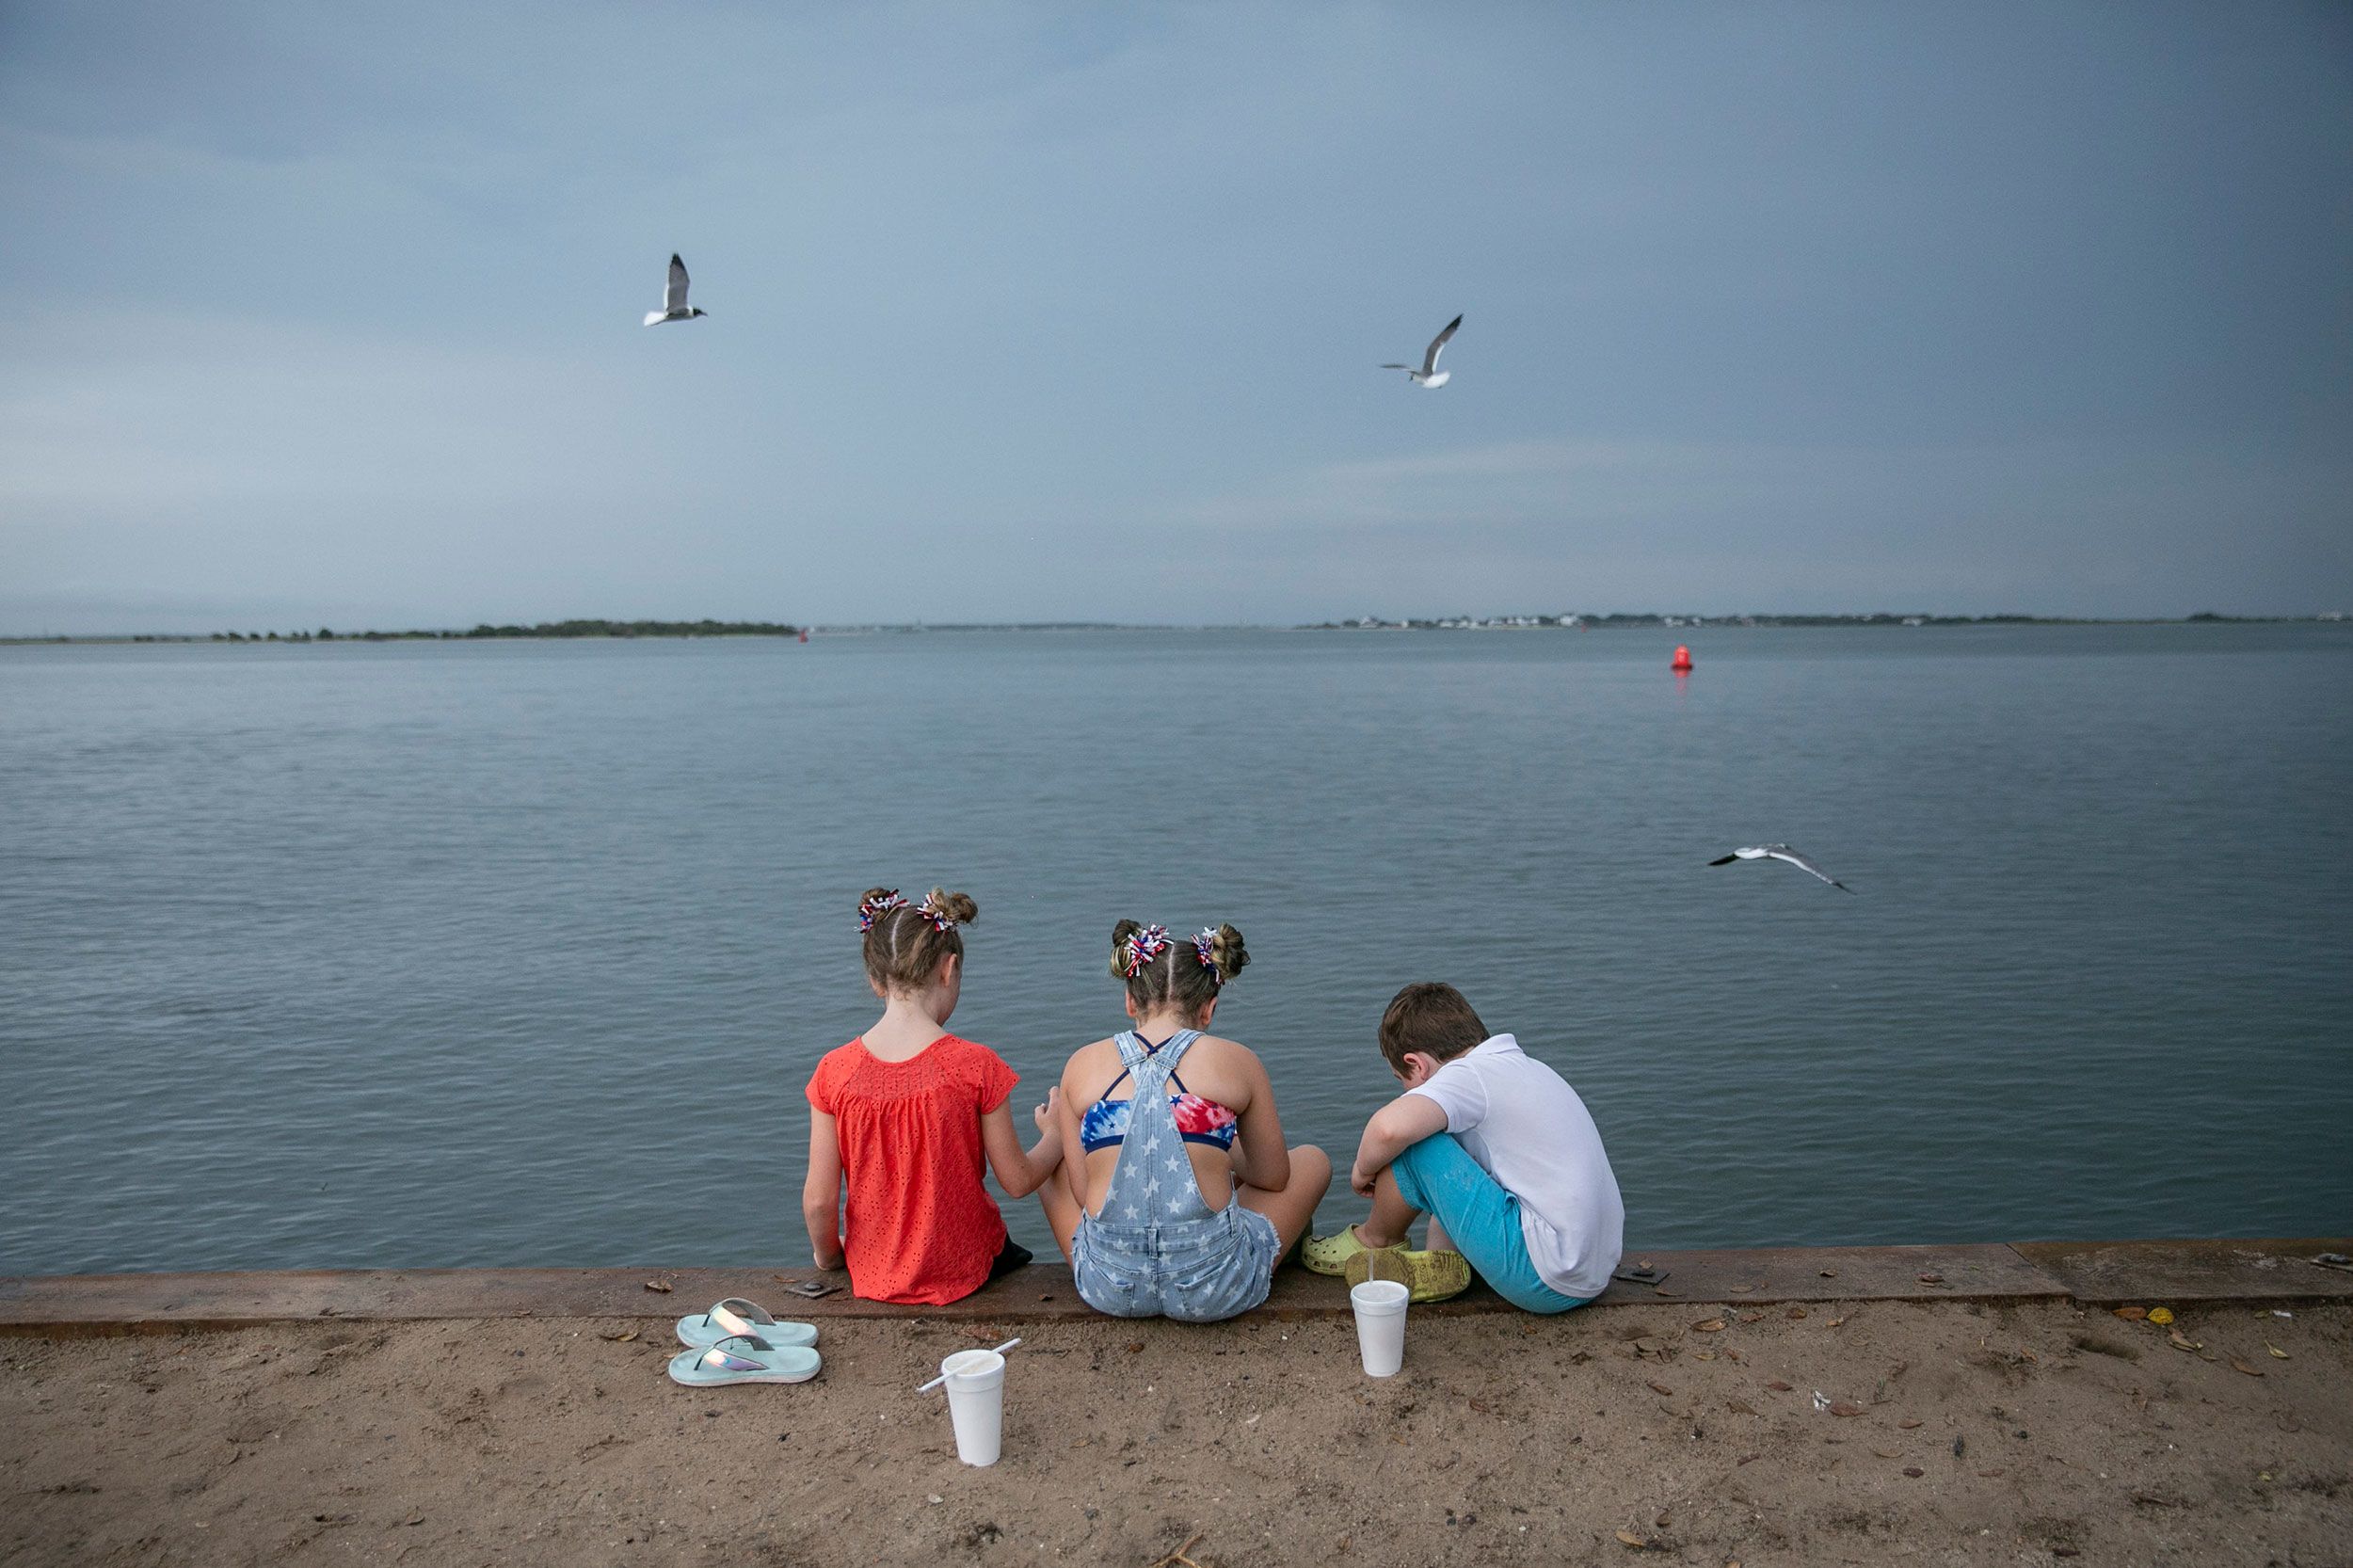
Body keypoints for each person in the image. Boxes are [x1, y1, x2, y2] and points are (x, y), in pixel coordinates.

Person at [1038, 920, 1331, 1321]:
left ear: (1130, 1001)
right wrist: (1216, 1137)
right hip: (1215, 1289)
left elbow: (1082, 1191)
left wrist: (1055, 1132)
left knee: (1054, 1167)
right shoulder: (1238, 1061)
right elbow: (1274, 1177)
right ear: (1208, 1009)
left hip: (1110, 1287)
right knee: (1313, 1160)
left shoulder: (1080, 1064)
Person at [802, 888, 1063, 1305]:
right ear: (949, 968)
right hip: (964, 1269)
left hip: (871, 1273)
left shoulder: (834, 1072)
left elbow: (819, 1202)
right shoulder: (976, 1065)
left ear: (874, 980)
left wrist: (831, 1257)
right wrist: (1058, 1134)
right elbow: (1017, 1181)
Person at [1304, 982, 1622, 1310]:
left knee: (1416, 1141)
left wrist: (1361, 1171)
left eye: (1403, 1080)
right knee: (1458, 1150)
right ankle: (1441, 1263)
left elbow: (1387, 1129)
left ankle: (1375, 1241)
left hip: (1541, 1277)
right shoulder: (1526, 1068)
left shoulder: (1468, 1075)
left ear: (1417, 1064)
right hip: (1590, 1273)